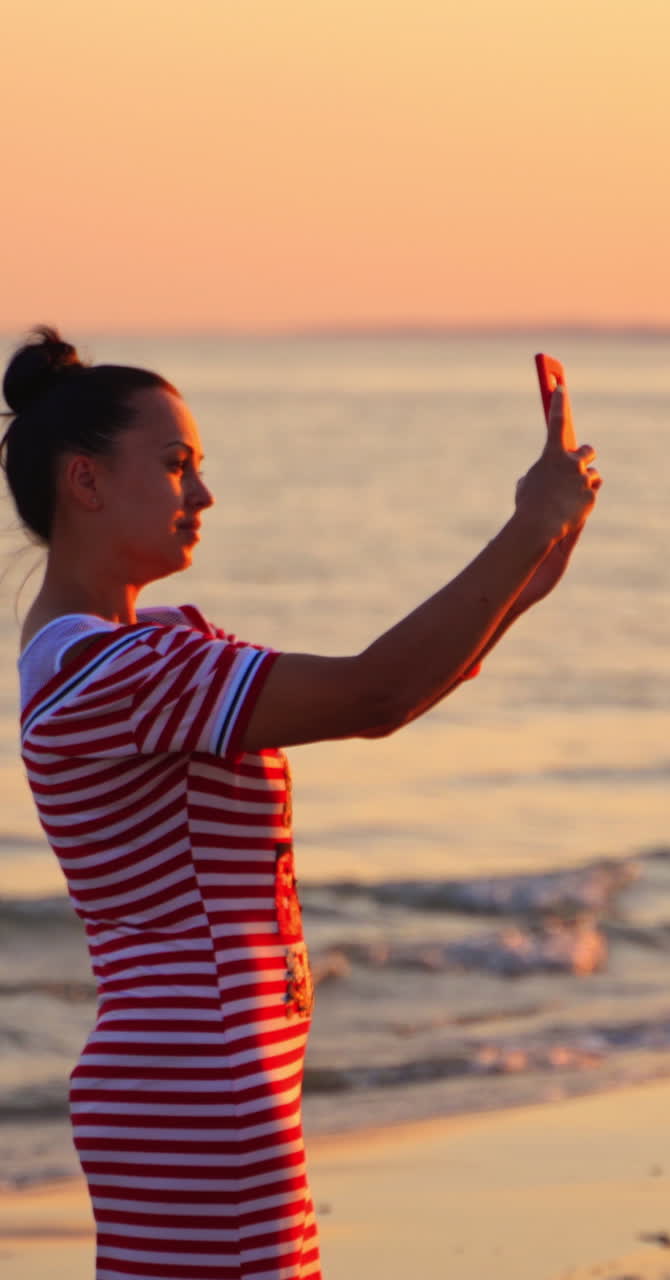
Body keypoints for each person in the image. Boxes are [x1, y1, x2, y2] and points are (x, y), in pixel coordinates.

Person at [2, 326, 601, 1280]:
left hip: (199, 1082)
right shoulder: (122, 671)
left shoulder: (128, 652)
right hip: (197, 1085)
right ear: (85, 482)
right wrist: (527, 528)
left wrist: (527, 578)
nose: (202, 494)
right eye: (175, 466)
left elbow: (379, 694)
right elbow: (374, 694)